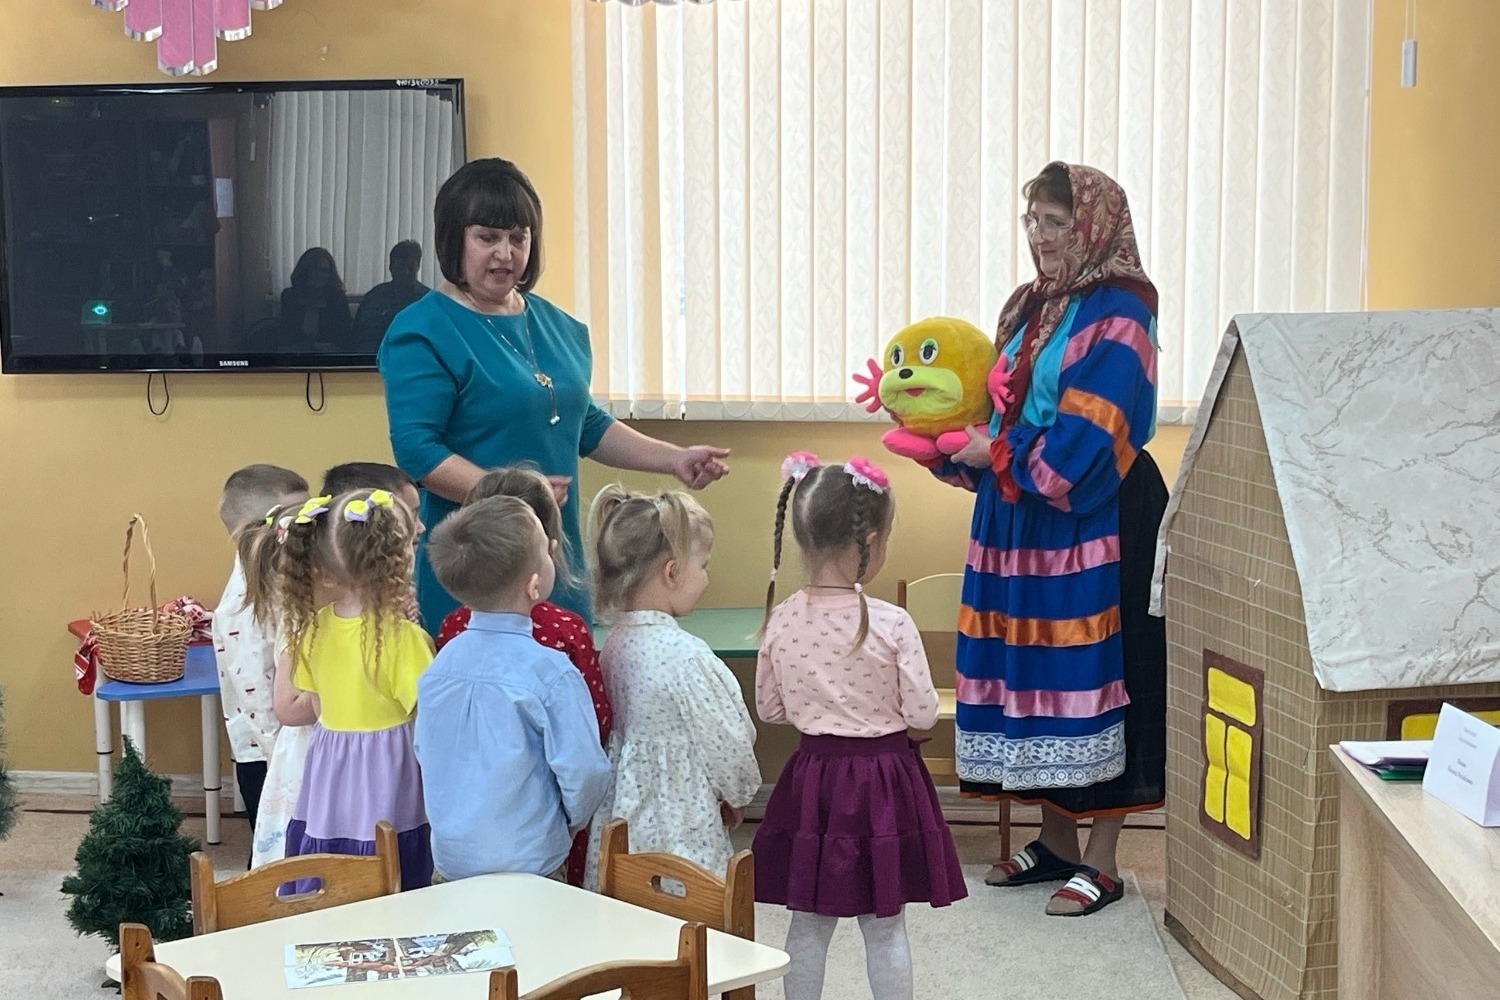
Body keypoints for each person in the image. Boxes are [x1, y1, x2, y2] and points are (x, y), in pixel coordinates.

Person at [934, 161, 1168, 917]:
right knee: (1032, 674)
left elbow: (1089, 437)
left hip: (1096, 508)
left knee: (1095, 673)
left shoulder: (1123, 310)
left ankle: (1103, 860)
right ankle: (1057, 841)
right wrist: (949, 437)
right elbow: (999, 409)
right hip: (1021, 513)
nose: (1040, 237)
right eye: (1032, 220)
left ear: (1093, 226)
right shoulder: (1027, 305)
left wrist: (996, 452)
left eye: (1056, 222)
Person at [378, 158, 730, 629]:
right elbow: (418, 451)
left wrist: (674, 458)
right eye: (487, 237)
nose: (505, 253)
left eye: (518, 237)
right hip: (476, 567)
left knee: (567, 668)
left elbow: (585, 424)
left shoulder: (560, 326)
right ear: (453, 240)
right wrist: (518, 493)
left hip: (556, 559)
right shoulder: (422, 331)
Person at [753, 453, 966, 1000]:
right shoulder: (893, 622)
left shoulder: (781, 618)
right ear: (871, 539)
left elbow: (770, 710)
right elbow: (922, 714)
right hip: (884, 784)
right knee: (885, 925)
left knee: (807, 922)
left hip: (813, 784)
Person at [416, 496, 612, 882]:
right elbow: (585, 771)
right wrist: (569, 822)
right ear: (534, 585)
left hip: (453, 860)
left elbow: (426, 751)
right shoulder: (552, 672)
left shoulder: (439, 665)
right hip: (531, 864)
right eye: (546, 547)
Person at [246, 462, 427, 869]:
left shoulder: (313, 629)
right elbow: (426, 714)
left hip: (330, 778)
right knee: (389, 867)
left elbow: (315, 702)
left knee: (333, 863)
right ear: (396, 562)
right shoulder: (403, 638)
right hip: (386, 781)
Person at [581, 484, 760, 889]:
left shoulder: (614, 645)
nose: (707, 578)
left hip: (623, 817)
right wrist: (738, 794)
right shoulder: (687, 657)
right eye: (704, 565)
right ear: (672, 572)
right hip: (680, 823)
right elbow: (727, 739)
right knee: (686, 908)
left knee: (630, 905)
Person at [210, 464, 308, 852]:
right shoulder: (243, 601)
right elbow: (252, 684)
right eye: (296, 516)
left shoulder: (283, 579)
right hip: (268, 752)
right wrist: (277, 757)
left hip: (286, 745)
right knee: (277, 850)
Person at [352, 241, 430, 353]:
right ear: (391, 268)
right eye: (401, 267)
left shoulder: (427, 300)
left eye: (410, 268)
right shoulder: (374, 297)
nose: (406, 273)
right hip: (373, 354)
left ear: (418, 267)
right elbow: (358, 333)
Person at [280, 247, 354, 352]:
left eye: (324, 270)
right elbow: (287, 335)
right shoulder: (290, 296)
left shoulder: (338, 299)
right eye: (314, 269)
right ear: (304, 271)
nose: (319, 275)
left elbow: (344, 339)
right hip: (297, 355)